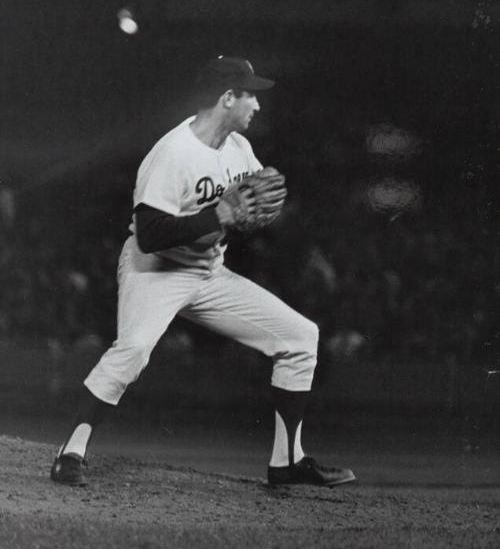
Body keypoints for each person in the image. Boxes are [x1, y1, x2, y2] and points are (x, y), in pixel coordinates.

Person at [50, 55, 355, 488]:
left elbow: (247, 209)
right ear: (227, 98)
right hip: (153, 269)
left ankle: (287, 461)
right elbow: (151, 235)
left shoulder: (238, 148)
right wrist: (222, 214)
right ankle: (71, 452)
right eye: (250, 95)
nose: (258, 105)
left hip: (208, 271)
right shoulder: (173, 153)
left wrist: (257, 215)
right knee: (133, 350)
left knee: (300, 337)